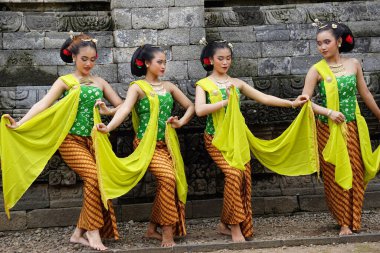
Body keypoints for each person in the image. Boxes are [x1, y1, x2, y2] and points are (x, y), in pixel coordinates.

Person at [1, 33, 123, 251]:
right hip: (70, 140)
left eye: (93, 59)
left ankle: (78, 233)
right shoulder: (65, 81)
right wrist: (20, 123)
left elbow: (121, 106)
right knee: (93, 177)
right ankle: (93, 233)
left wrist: (108, 110)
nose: (88, 63)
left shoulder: (100, 82)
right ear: (74, 57)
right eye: (84, 59)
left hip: (95, 140)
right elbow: (43, 105)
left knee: (98, 182)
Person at [195, 39, 315, 242]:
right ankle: (234, 227)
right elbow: (199, 110)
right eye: (220, 58)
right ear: (210, 60)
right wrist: (225, 101)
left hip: (237, 139)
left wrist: (292, 103)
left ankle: (225, 223)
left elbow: (264, 98)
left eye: (228, 58)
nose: (225, 62)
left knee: (241, 179)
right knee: (234, 175)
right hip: (215, 139)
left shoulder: (237, 83)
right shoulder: (204, 85)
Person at [96, 44, 195, 247]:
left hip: (167, 144)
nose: (163, 66)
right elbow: (124, 110)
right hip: (145, 144)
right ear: (147, 63)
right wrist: (108, 126)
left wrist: (181, 122)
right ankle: (167, 234)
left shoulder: (169, 87)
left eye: (165, 62)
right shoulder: (137, 87)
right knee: (168, 178)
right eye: (159, 62)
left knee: (170, 183)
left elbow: (191, 106)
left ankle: (152, 229)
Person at [302, 20, 380, 235]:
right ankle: (344, 223)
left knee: (356, 170)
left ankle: (354, 219)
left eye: (327, 42)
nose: (323, 47)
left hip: (352, 126)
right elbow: (304, 102)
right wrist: (328, 112)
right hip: (328, 128)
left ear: (338, 41)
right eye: (319, 43)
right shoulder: (316, 70)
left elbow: (365, 94)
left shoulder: (353, 64)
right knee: (335, 172)